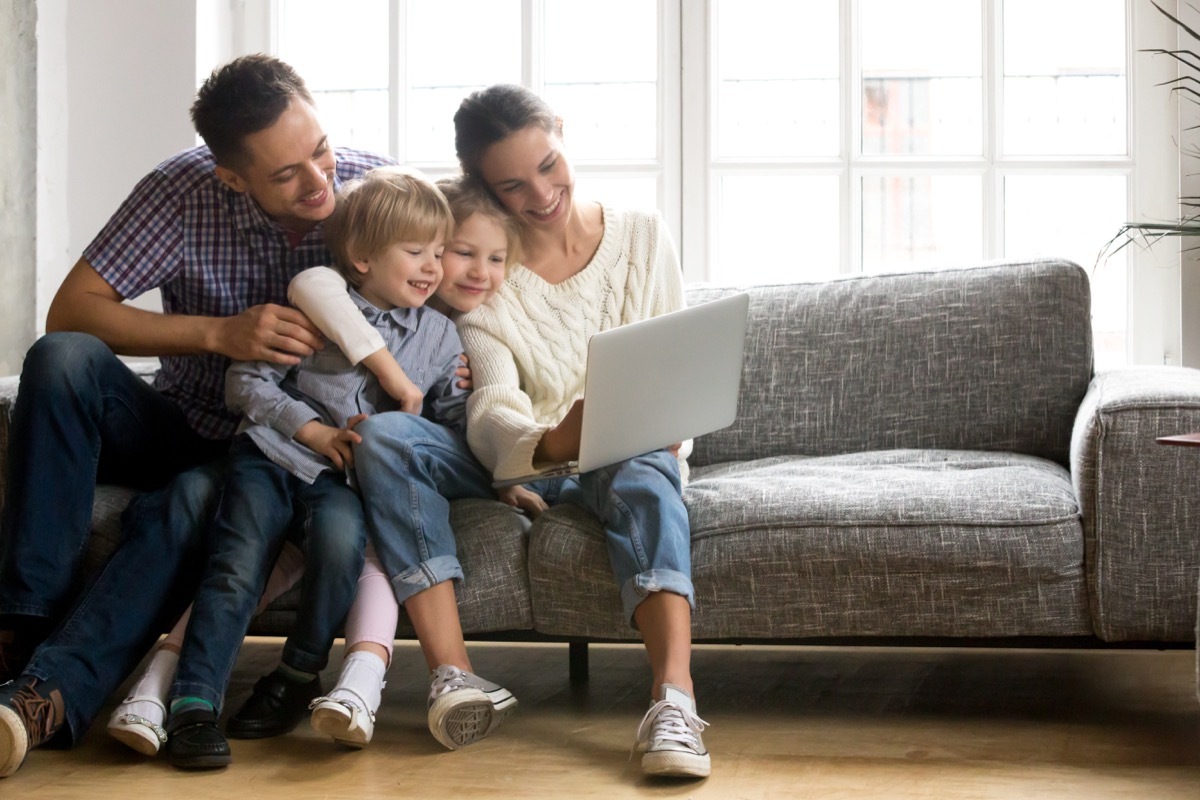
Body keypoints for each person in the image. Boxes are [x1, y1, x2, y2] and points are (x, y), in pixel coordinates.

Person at [288, 85, 712, 779]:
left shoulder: (642, 235)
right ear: (485, 188)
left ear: (562, 133)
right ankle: (452, 675)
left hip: (628, 452)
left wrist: (656, 430)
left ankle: (674, 702)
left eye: (548, 164)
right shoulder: (486, 278)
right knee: (389, 436)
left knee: (644, 463)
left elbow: (677, 365)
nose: (541, 192)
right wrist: (555, 440)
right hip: (523, 455)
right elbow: (490, 407)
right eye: (513, 184)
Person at [0, 54, 392, 778]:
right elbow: (72, 310)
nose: (320, 183)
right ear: (232, 177)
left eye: (320, 150)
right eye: (287, 175)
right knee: (60, 358)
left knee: (187, 504)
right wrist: (218, 334)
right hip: (182, 425)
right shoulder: (178, 192)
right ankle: (23, 625)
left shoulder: (376, 189)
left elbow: (460, 280)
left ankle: (39, 691)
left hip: (280, 456)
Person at [292, 175, 540, 751]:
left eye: (496, 258)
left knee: (388, 439)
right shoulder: (351, 307)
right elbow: (312, 285)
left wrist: (505, 469)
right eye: (461, 253)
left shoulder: (465, 331)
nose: (477, 271)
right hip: (381, 462)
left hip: (465, 453)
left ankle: (408, 675)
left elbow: (475, 423)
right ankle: (422, 677)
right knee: (382, 455)